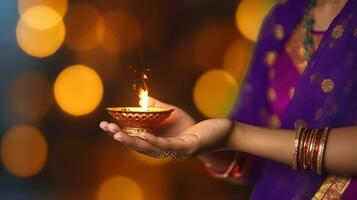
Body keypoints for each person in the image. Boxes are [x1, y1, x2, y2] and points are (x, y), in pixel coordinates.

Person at [100, 0, 357, 198]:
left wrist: (236, 135)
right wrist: (196, 139)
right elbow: (254, 161)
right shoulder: (285, 19)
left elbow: (246, 136)